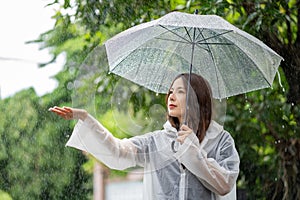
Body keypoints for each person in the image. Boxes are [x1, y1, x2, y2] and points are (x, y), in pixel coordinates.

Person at [49, 73, 240, 200]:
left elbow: (225, 185)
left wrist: (193, 150)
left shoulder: (221, 141)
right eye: (170, 91)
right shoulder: (156, 141)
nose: (171, 97)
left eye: (180, 91)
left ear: (197, 98)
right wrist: (86, 119)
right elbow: (117, 151)